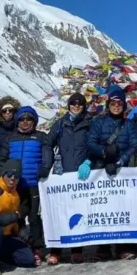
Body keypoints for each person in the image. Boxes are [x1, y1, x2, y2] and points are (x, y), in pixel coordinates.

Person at [86, 88, 137, 259]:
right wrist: (104, 152)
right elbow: (90, 142)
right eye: (113, 103)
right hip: (101, 168)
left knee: (123, 208)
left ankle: (124, 246)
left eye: (119, 103)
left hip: (121, 170)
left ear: (124, 105)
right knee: (103, 208)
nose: (116, 106)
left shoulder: (129, 124)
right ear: (108, 104)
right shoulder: (98, 122)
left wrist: (119, 161)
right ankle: (103, 247)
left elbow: (135, 144)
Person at [0, 106, 50, 266]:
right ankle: (19, 246)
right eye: (22, 119)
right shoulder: (11, 138)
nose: (25, 122)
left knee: (34, 217)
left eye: (29, 119)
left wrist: (45, 167)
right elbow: (1, 159)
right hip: (13, 185)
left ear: (34, 120)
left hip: (33, 184)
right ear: (18, 120)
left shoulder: (40, 137)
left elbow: (47, 155)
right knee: (16, 217)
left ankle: (37, 247)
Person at [43, 92, 93, 265]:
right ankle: (55, 250)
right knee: (60, 212)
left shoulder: (89, 124)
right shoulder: (60, 124)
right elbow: (48, 144)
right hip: (62, 175)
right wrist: (47, 165)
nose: (76, 106)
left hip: (81, 175)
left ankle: (76, 250)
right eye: (73, 103)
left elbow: (95, 145)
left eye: (80, 103)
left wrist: (89, 162)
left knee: (77, 212)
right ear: (69, 105)